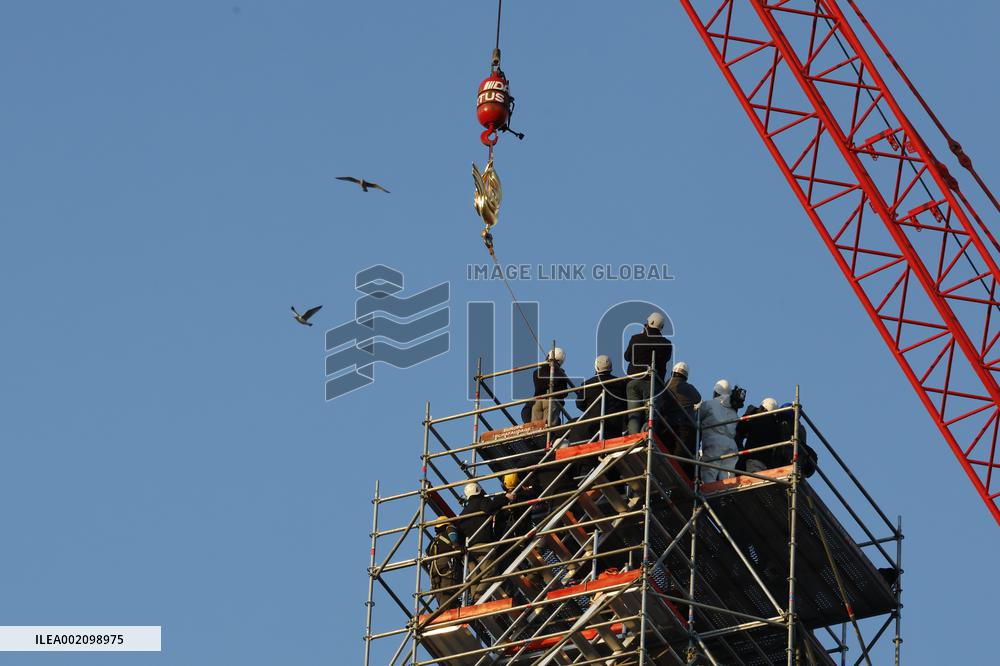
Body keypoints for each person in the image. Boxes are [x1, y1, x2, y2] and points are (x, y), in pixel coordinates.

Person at [457, 482, 516, 602]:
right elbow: (490, 507)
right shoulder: (481, 501)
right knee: (490, 572)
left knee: (475, 577)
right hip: (484, 544)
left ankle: (475, 599)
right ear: (479, 490)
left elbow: (459, 532)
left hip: (471, 549)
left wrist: (461, 546)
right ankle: (477, 599)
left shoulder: (463, 513)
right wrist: (506, 498)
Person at [624, 312, 673, 434]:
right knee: (651, 415)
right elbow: (665, 359)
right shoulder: (666, 344)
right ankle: (646, 438)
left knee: (633, 415)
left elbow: (627, 356)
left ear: (649, 323)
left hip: (634, 381)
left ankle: (633, 440)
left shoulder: (636, 338)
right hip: (653, 384)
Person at [574, 355, 627, 440]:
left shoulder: (587, 384)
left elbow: (579, 404)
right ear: (611, 368)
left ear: (596, 367)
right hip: (616, 425)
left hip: (594, 424)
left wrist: (591, 410)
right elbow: (625, 403)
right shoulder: (620, 383)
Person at [697, 379, 739, 482]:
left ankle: (707, 496)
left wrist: (697, 408)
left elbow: (696, 420)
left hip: (714, 443)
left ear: (716, 392)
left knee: (709, 472)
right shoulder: (733, 411)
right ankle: (728, 496)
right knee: (728, 476)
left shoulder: (709, 404)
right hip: (731, 445)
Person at [659, 361, 701, 459]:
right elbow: (698, 399)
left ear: (673, 372)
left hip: (666, 426)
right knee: (679, 460)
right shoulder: (689, 388)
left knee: (667, 456)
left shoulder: (665, 387)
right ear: (685, 376)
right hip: (684, 428)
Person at [735, 397, 781, 472]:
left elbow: (740, 429)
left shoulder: (758, 419)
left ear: (764, 409)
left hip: (753, 461)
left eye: (761, 407)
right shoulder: (776, 426)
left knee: (751, 482)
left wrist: (748, 414)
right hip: (767, 465)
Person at [425, 517, 462, 609]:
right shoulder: (449, 531)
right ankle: (445, 610)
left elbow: (426, 554)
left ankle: (443, 608)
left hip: (433, 569)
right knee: (448, 590)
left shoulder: (434, 541)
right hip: (446, 564)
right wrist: (457, 546)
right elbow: (452, 533)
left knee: (440, 592)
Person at [531, 347, 572, 426]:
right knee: (548, 429)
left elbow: (539, 387)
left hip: (537, 402)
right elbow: (564, 393)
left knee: (535, 429)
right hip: (551, 403)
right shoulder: (561, 373)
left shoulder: (537, 372)